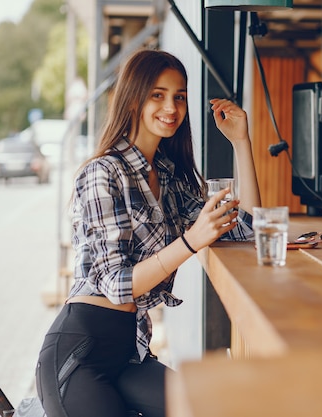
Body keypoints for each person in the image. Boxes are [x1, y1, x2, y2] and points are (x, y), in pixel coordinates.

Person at [35, 48, 260, 417]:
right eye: (158, 95)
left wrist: (240, 142)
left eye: (179, 97)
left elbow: (246, 228)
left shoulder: (169, 177)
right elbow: (116, 284)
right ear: (133, 98)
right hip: (79, 356)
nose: (171, 107)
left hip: (129, 353)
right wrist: (190, 242)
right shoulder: (103, 173)